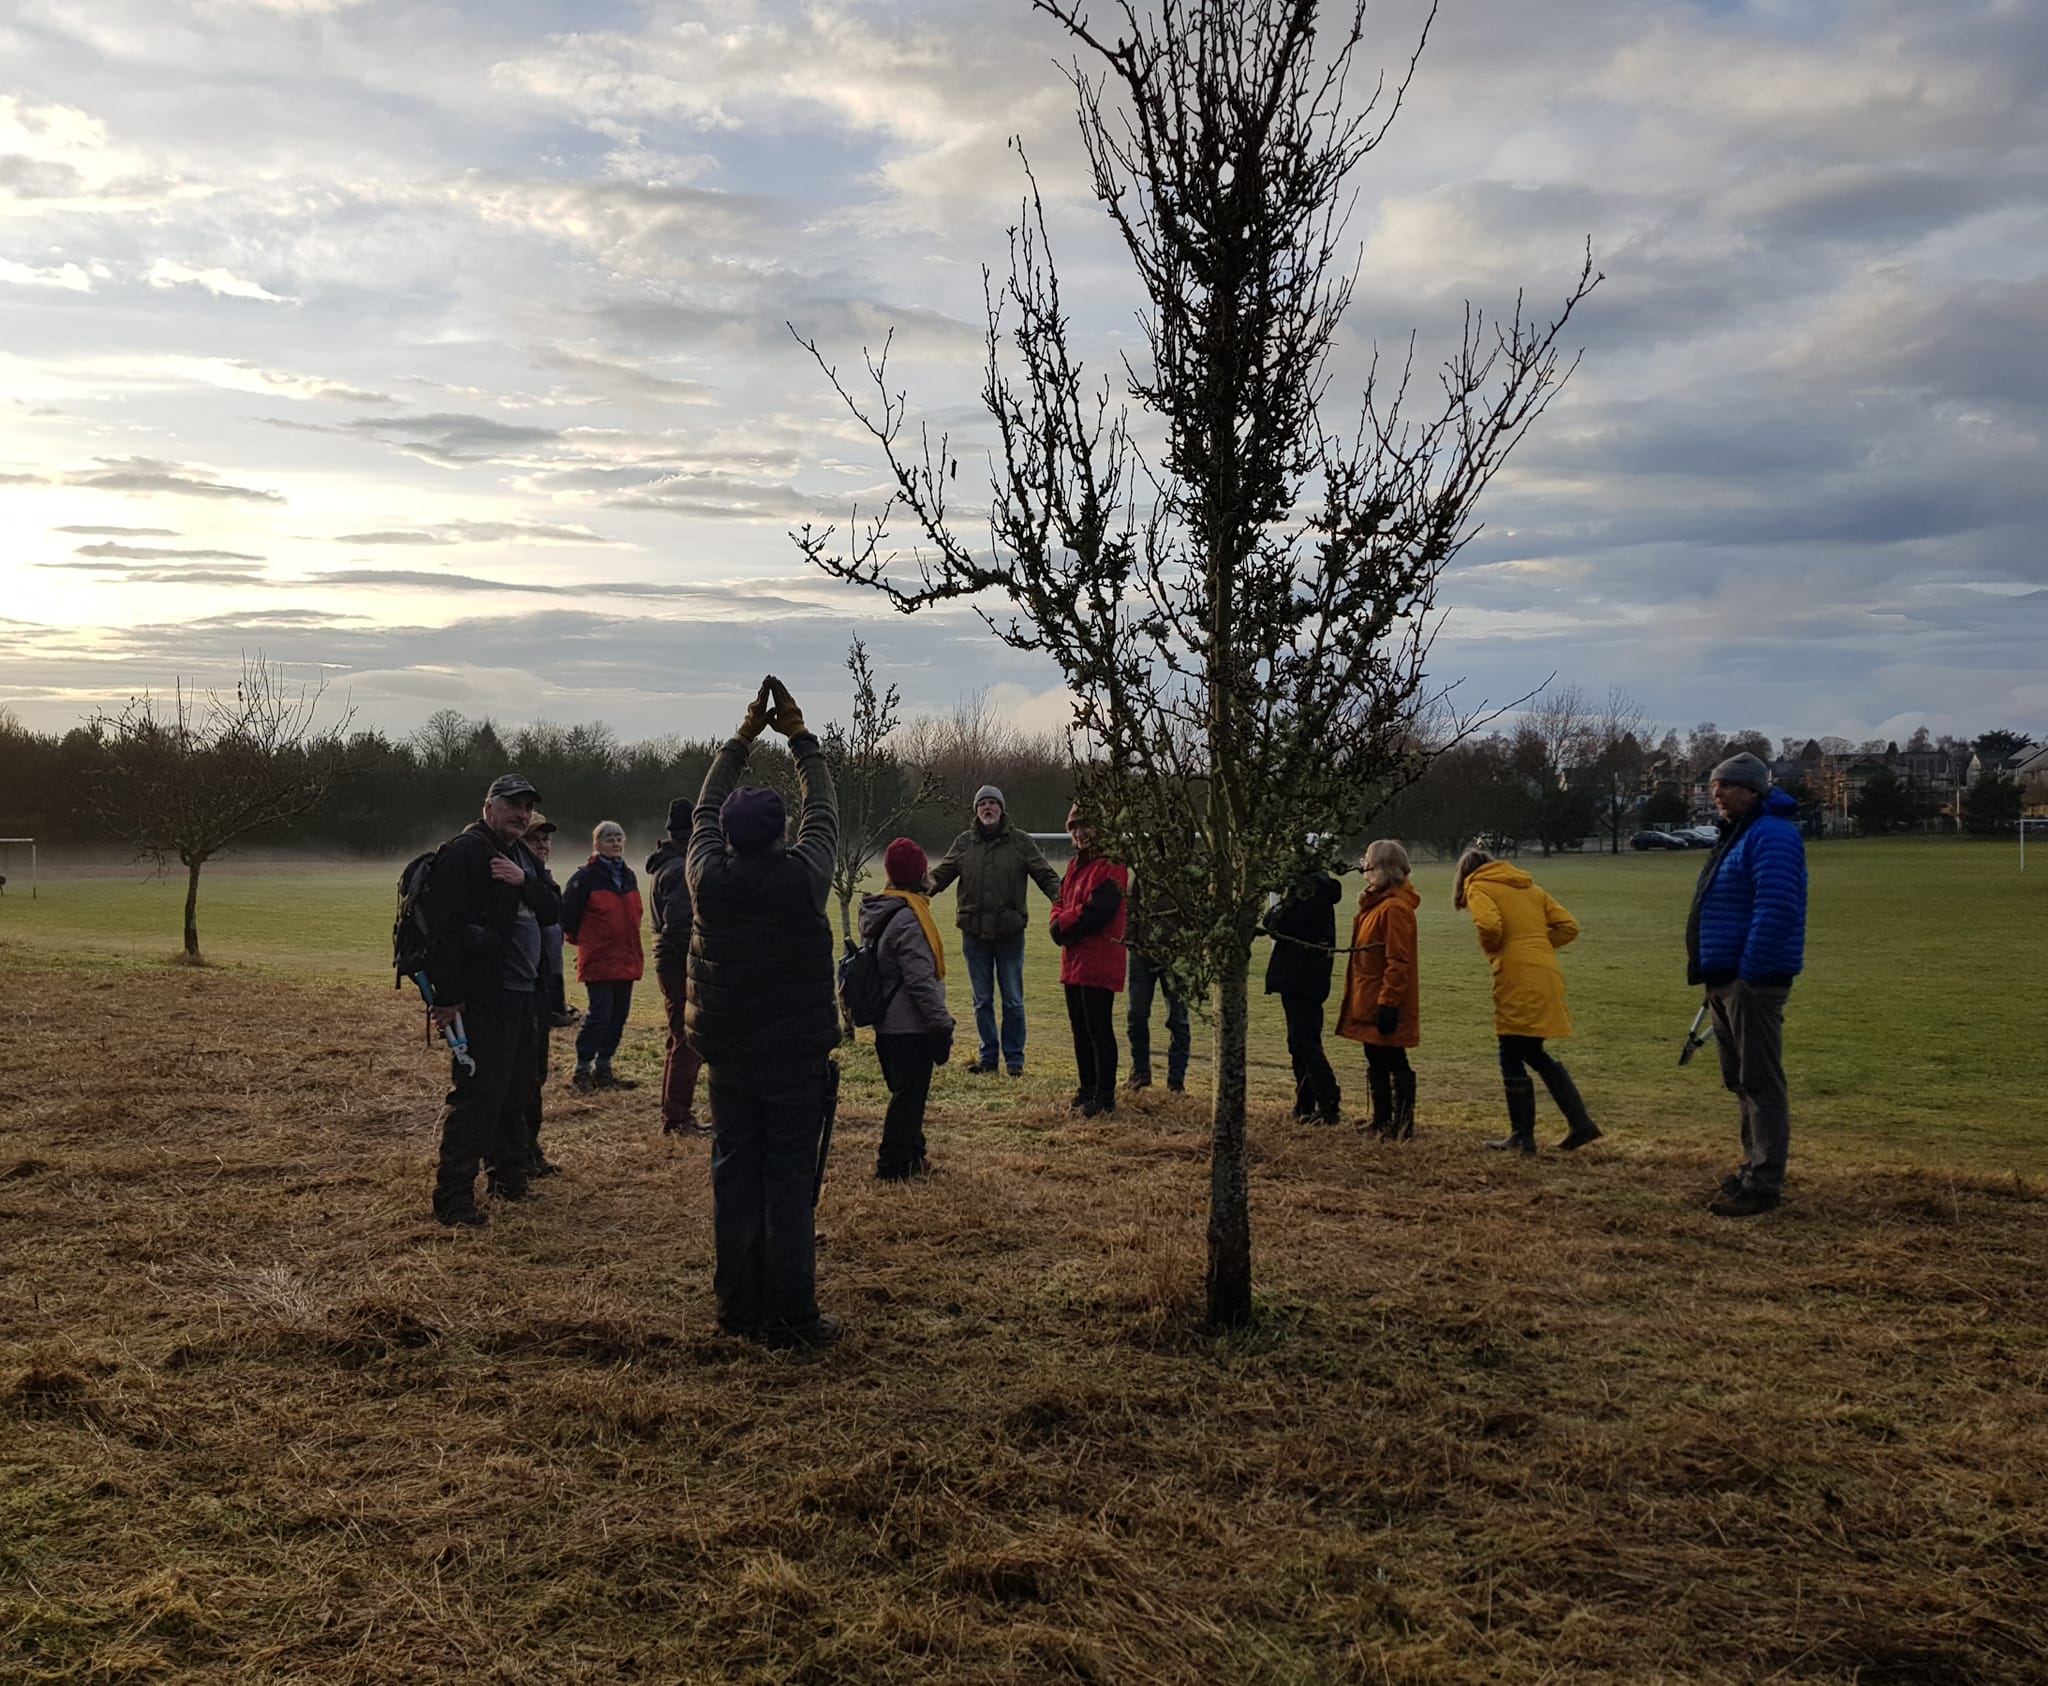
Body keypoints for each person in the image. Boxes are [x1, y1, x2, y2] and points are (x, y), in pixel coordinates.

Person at [686, 676, 842, 1349]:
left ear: (725, 836)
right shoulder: (804, 878)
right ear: (781, 833)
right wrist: (800, 739)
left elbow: (702, 808)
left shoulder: (706, 878)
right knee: (787, 1181)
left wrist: (741, 739)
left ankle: (737, 1309)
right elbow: (826, 812)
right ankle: (792, 1316)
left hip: (729, 1057)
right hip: (795, 1061)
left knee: (734, 1176)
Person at [421, 773, 560, 1226]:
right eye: (512, 805)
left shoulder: (521, 855)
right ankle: (454, 1198)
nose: (520, 814)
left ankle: (509, 1180)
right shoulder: (466, 852)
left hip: (524, 995)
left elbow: (554, 907)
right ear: (489, 808)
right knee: (479, 1095)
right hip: (485, 998)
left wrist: (523, 881)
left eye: (526, 807)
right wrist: (448, 998)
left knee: (519, 1090)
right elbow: (444, 931)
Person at [1687, 751, 1806, 1217]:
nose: (1716, 793)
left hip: (1750, 980)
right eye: (1714, 786)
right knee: (1740, 1080)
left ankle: (1764, 1183)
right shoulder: (1739, 833)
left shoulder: (1772, 835)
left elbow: (1775, 908)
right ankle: (1752, 1167)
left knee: (1760, 1081)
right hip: (1725, 977)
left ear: (1753, 790)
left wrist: (1750, 974)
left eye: (1726, 786)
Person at [1453, 846, 1601, 1156]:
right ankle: (1580, 1124)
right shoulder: (1529, 887)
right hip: (1546, 972)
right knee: (1532, 1051)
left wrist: (1503, 948)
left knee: (1510, 1050)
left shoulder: (1477, 886)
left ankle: (1523, 1136)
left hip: (1518, 975)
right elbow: (1569, 926)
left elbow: (1490, 926)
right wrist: (1536, 946)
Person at [928, 785, 1063, 1076]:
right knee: (982, 1001)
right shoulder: (964, 843)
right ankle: (988, 1058)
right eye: (982, 804)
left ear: (1002, 809)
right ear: (976, 810)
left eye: (992, 803)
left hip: (1009, 935)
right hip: (974, 935)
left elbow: (1045, 874)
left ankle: (1014, 1062)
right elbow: (940, 876)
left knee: (1013, 1000)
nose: (987, 808)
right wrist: (913, 890)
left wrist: (1062, 897)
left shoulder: (1021, 842)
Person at [859, 836, 955, 1180]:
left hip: (886, 1026)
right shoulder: (910, 920)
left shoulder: (881, 910)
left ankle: (914, 1157)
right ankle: (892, 1166)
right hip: (909, 1026)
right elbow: (919, 981)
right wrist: (941, 1023)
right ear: (921, 875)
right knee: (908, 1100)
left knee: (906, 1096)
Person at [1335, 841, 1420, 1139]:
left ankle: (1403, 1123)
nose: (1363, 865)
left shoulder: (1395, 909)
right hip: (1368, 996)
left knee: (1394, 1058)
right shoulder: (1376, 904)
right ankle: (1382, 1119)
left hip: (1383, 998)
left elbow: (1398, 960)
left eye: (1368, 860)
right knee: (1374, 1055)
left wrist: (1389, 1001)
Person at [1049, 803, 1129, 1117]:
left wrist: (1062, 925)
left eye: (1085, 826)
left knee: (1098, 1028)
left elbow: (1098, 911)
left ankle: (1104, 1095)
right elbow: (1061, 899)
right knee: (1080, 1029)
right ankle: (1086, 1088)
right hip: (1074, 959)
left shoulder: (1111, 864)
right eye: (1074, 828)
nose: (1079, 833)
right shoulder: (1075, 866)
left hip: (1099, 958)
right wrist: (1059, 921)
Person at [561, 821, 645, 1092]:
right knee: (600, 1015)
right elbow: (568, 919)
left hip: (627, 958)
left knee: (619, 1016)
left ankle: (605, 1068)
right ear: (596, 844)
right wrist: (587, 945)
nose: (616, 842)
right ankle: (582, 1070)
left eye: (620, 837)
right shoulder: (584, 878)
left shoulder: (630, 875)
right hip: (599, 959)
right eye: (609, 838)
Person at [1265, 865, 1344, 1124]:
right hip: (1310, 973)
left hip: (1299, 974)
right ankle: (1306, 1102)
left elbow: (1278, 922)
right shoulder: (1317, 887)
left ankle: (1327, 1100)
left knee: (1304, 1041)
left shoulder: (1307, 890)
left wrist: (1276, 910)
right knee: (1300, 1041)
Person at [644, 800, 704, 1136]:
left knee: (678, 1037)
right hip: (680, 963)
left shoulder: (665, 865)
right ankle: (677, 1117)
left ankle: (674, 1111)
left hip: (667, 961)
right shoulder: (681, 872)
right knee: (688, 1039)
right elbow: (681, 926)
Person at [519, 812, 567, 1179]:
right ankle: (516, 1156)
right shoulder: (515, 878)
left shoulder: (541, 878)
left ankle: (530, 1152)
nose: (542, 846)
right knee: (520, 1080)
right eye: (535, 840)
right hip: (516, 993)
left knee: (535, 1076)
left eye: (546, 840)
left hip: (540, 993)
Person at [1124, 875, 1190, 1094]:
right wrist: (1132, 940)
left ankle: (1176, 1082)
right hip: (1143, 953)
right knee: (1137, 1014)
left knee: (1178, 1018)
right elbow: (1131, 905)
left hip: (1177, 954)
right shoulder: (1145, 870)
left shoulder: (1184, 870)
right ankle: (1140, 1072)